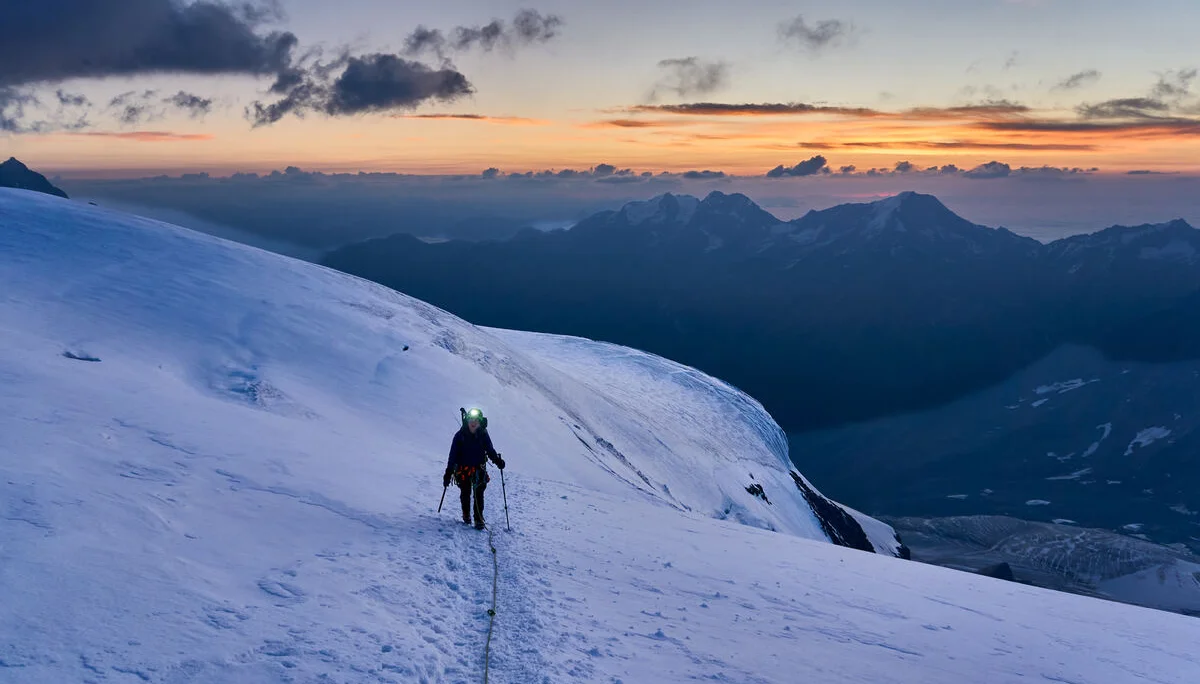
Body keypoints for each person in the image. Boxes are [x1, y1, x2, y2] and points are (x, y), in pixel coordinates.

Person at [443, 407, 505, 529]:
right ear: (467, 420)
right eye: (471, 419)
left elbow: (490, 450)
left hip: (478, 469)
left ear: (480, 421)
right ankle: (466, 515)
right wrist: (448, 471)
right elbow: (453, 455)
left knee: (479, 494)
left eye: (476, 420)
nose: (473, 422)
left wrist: (497, 461)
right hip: (463, 469)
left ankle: (478, 519)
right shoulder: (459, 436)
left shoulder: (483, 435)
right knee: (465, 493)